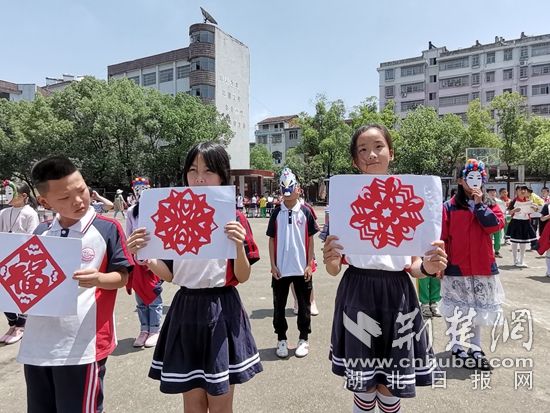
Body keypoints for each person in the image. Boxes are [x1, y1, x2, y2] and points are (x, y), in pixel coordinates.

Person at [126, 142, 262, 412]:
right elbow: (171, 275)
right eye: (192, 170)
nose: (199, 178)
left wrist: (237, 246)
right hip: (185, 309)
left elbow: (243, 275)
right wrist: (146, 257)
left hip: (223, 308)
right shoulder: (169, 215)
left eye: (208, 171)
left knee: (221, 402)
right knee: (192, 403)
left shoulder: (235, 218)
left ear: (222, 175)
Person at [323, 124, 447, 412]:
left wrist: (429, 267)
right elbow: (333, 268)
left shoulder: (411, 196)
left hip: (397, 294)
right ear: (354, 160)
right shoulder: (343, 202)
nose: (371, 154)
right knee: (364, 384)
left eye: (378, 146)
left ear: (391, 152)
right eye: (363, 149)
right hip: (357, 292)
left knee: (391, 384)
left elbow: (414, 267)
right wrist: (329, 258)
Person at [18, 155, 133, 413]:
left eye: (81, 190)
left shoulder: (106, 228)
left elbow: (123, 276)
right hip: (38, 345)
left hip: (82, 346)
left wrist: (99, 279)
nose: (78, 200)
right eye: (65, 198)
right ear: (45, 202)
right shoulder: (41, 233)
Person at [440, 159, 505, 371]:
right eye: (470, 177)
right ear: (461, 180)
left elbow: (494, 227)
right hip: (456, 267)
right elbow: (442, 237)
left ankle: (475, 347)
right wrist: (441, 263)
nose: (475, 182)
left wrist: (479, 206)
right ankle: (456, 345)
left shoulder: (490, 205)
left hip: (482, 266)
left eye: (479, 177)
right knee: (455, 308)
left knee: (478, 309)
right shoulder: (449, 207)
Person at [268, 168, 319, 359]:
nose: (288, 192)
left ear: (298, 189)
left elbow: (311, 239)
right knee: (279, 306)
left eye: (291, 187)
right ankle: (281, 338)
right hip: (280, 270)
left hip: (301, 269)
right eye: (284, 188)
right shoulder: (276, 213)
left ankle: (303, 339)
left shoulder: (306, 212)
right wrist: (273, 265)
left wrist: (309, 264)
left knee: (304, 306)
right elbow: (272, 239)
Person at [0, 180, 40, 345]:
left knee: (22, 292)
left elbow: (32, 236)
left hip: (22, 260)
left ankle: (21, 324)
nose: (7, 196)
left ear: (24, 196)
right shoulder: (3, 212)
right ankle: (12, 323)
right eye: (6, 193)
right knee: (3, 293)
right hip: (4, 256)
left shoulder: (30, 213)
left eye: (11, 193)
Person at [126, 177, 163, 348]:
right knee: (140, 299)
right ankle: (144, 329)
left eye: (144, 188)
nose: (140, 191)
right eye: (137, 188)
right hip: (137, 262)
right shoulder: (131, 211)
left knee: (154, 297)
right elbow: (128, 237)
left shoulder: (159, 209)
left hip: (154, 262)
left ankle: (155, 329)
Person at [506, 185, 538, 267]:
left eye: (525, 190)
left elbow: (535, 210)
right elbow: (508, 212)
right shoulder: (514, 201)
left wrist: (535, 208)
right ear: (517, 191)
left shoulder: (529, 201)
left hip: (525, 222)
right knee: (514, 242)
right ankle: (515, 260)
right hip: (516, 222)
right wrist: (514, 210)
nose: (523, 191)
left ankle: (522, 260)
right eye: (521, 190)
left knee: (523, 243)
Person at [486, 187, 506, 258]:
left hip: (498, 223)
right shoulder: (485, 201)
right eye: (490, 192)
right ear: (487, 193)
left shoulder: (500, 202)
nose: (492, 193)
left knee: (498, 238)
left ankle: (497, 251)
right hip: (489, 223)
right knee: (488, 238)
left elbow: (503, 211)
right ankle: (489, 252)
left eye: (494, 192)